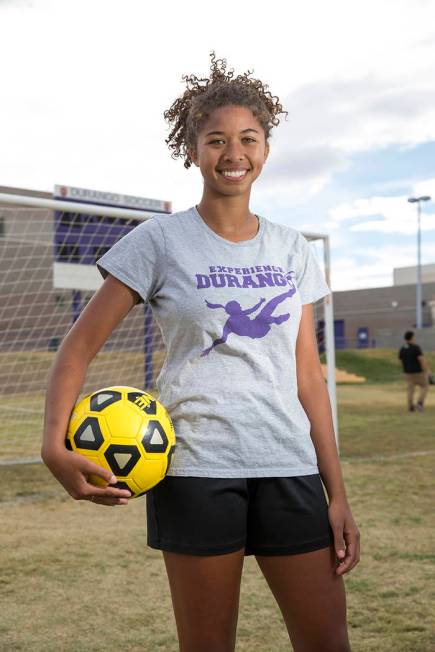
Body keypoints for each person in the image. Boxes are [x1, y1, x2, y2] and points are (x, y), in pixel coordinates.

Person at [42, 53, 360, 652]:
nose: (233, 153)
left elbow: (309, 380)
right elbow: (76, 348)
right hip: (194, 470)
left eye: (248, 138)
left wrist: (336, 494)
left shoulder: (293, 249)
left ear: (266, 148)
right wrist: (52, 445)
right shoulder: (158, 242)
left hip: (289, 468)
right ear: (192, 149)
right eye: (216, 140)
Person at [398, 330, 431, 412]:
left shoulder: (402, 348)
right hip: (418, 373)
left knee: (410, 390)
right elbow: (421, 360)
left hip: (408, 373)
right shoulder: (416, 348)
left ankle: (410, 406)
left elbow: (400, 360)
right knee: (425, 386)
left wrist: (404, 370)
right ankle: (420, 403)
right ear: (412, 337)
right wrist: (427, 370)